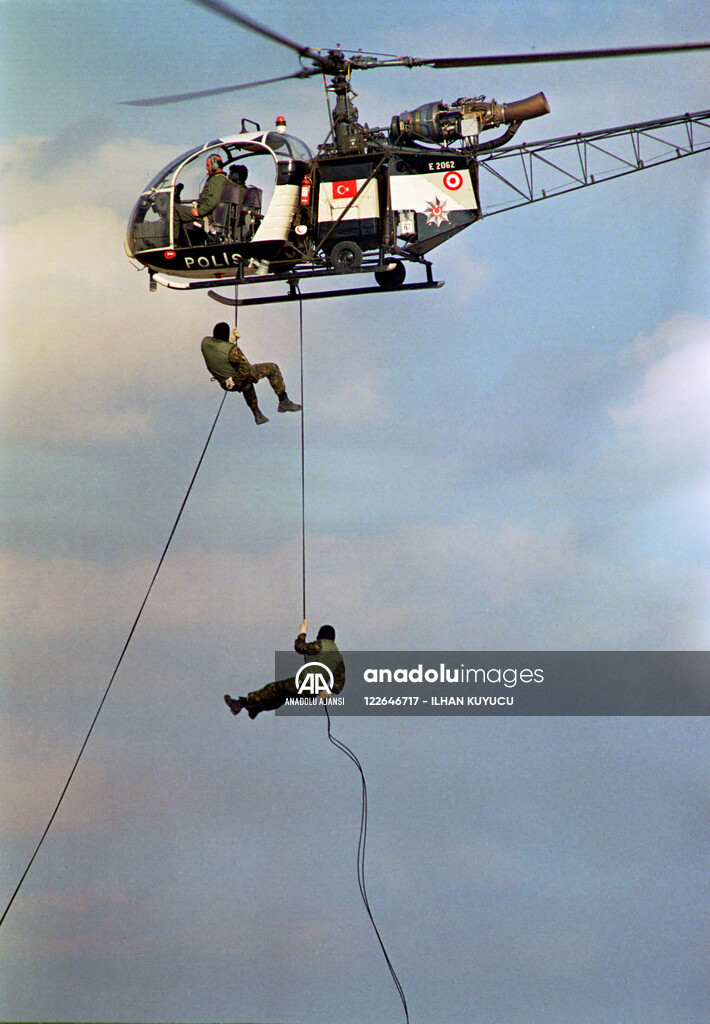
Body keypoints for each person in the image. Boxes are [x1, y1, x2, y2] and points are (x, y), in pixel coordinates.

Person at [224, 621, 345, 719]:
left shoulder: (321, 645)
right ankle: (256, 708)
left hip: (302, 684)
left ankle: (241, 703)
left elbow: (300, 647)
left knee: (273, 689)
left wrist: (302, 633)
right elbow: (339, 684)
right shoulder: (339, 658)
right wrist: (328, 691)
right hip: (310, 694)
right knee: (281, 697)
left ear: (321, 635)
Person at [200, 322, 301, 425]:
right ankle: (284, 401)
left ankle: (257, 414)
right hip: (234, 381)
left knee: (246, 385)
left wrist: (231, 340)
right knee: (272, 368)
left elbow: (220, 349)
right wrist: (234, 379)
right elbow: (246, 370)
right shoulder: (232, 350)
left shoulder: (205, 342)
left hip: (224, 384)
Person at [173, 152, 228, 245]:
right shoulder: (222, 179)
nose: (206, 168)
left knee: (175, 209)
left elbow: (213, 201)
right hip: (209, 215)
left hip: (206, 217)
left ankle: (175, 242)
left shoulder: (216, 180)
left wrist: (199, 211)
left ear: (215, 166)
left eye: (208, 165)